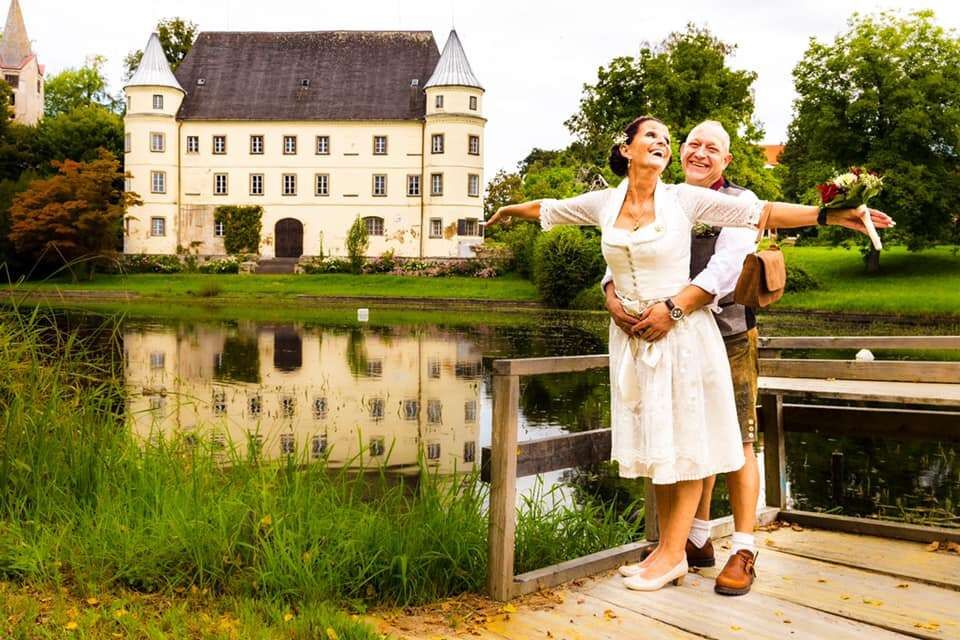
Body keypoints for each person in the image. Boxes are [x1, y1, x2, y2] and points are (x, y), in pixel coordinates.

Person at [485, 115, 892, 592]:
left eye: (670, 138)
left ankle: (721, 549)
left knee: (712, 443)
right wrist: (507, 210)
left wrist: (826, 215)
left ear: (726, 158)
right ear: (626, 148)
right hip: (639, 340)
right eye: (655, 136)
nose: (667, 143)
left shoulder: (687, 199)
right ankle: (674, 548)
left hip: (698, 334)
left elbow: (758, 217)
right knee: (661, 443)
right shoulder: (609, 201)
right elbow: (555, 211)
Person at [601, 120, 763, 596]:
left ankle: (744, 549)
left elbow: (726, 268)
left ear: (725, 160)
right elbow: (623, 254)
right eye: (693, 144)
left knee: (738, 439)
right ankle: (693, 539)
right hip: (667, 338)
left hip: (727, 333)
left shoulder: (738, 200)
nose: (699, 153)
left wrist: (674, 308)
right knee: (684, 438)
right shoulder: (659, 195)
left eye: (712, 148)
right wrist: (611, 295)